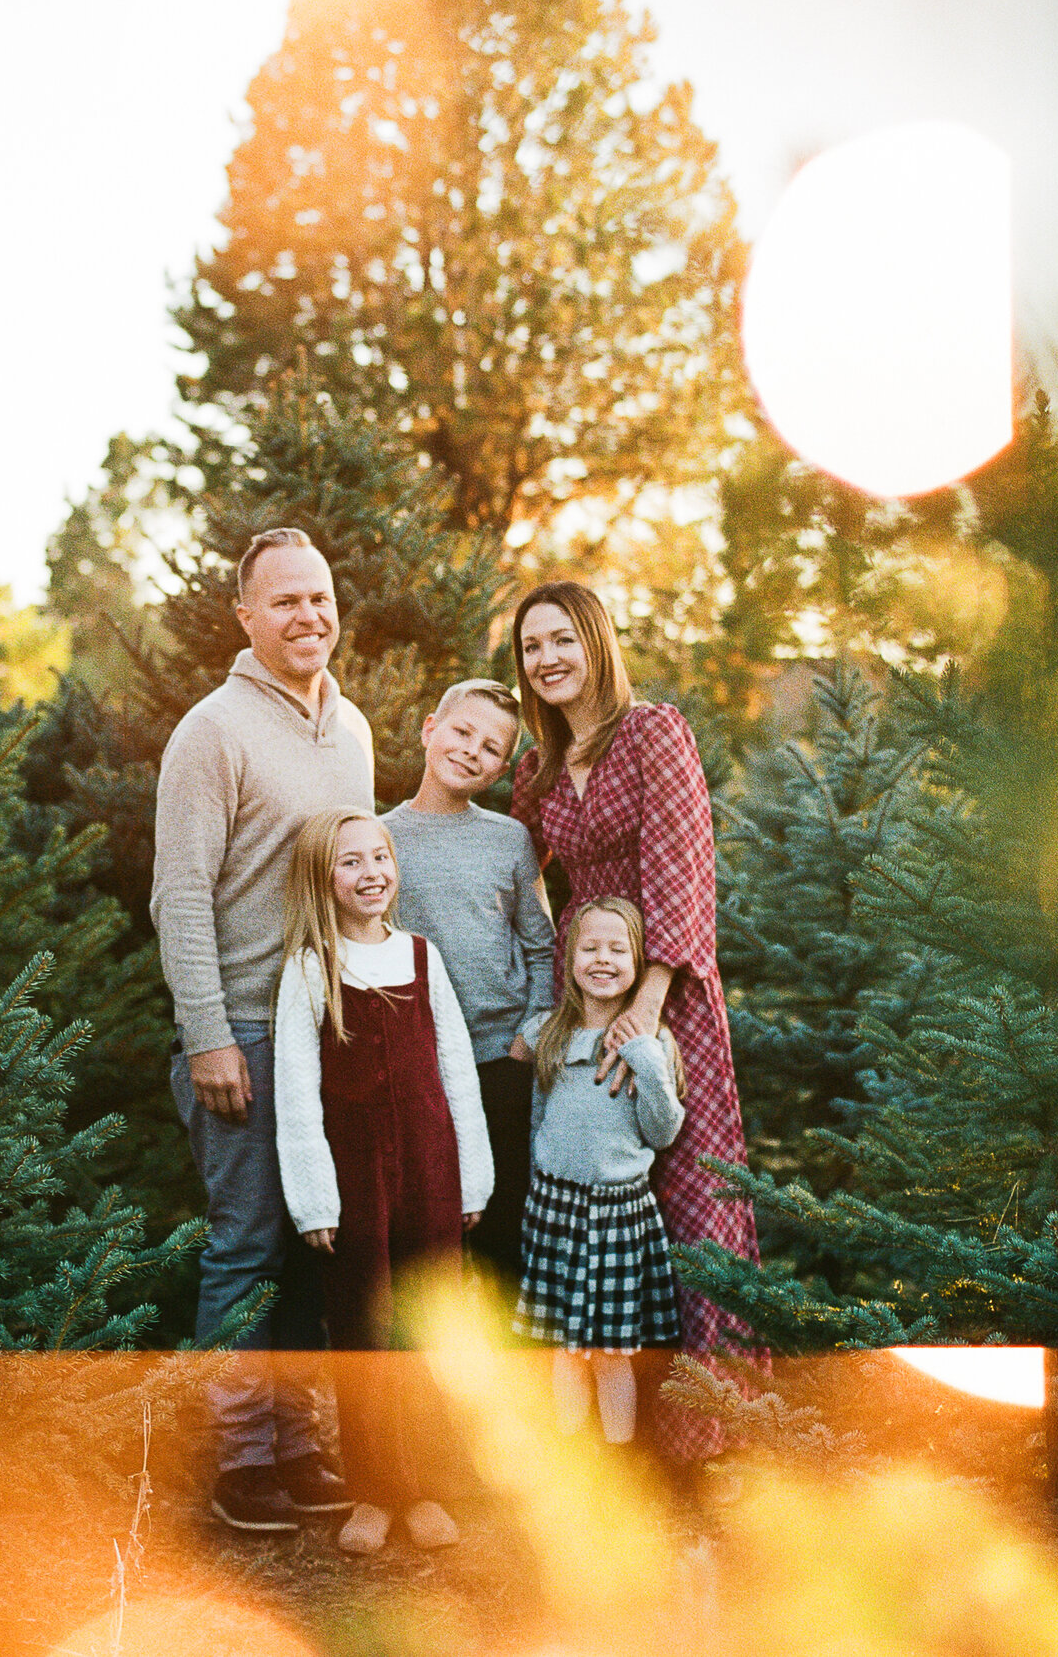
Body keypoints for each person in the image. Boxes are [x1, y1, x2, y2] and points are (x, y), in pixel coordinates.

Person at [507, 580, 764, 1466]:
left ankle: (707, 1435)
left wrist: (650, 1006)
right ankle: (607, 1443)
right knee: (589, 1204)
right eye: (531, 646)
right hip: (588, 995)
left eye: (562, 640)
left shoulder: (653, 732)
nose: (547, 659)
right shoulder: (537, 770)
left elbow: (685, 862)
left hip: (668, 991)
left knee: (690, 1201)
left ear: (596, 642)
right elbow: (513, 866)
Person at [152, 528, 370, 1533]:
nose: (306, 616)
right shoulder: (212, 730)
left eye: (318, 598)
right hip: (241, 1023)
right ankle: (238, 1464)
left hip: (326, 1028)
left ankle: (296, 1446)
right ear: (244, 618)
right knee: (244, 1249)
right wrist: (208, 1034)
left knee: (312, 1244)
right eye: (283, 601)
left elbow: (360, 881)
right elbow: (180, 893)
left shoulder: (355, 732)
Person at [271, 809, 491, 1555]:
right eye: (350, 863)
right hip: (357, 1174)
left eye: (379, 858)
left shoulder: (422, 957)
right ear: (322, 880)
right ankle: (374, 1488)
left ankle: (426, 1483)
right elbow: (296, 1092)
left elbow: (458, 1073)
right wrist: (314, 1199)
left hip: (430, 1163)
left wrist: (472, 1180)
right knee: (366, 1327)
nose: (370, 874)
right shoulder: (310, 967)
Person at [383, 679, 558, 1289]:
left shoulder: (507, 840)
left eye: (490, 748)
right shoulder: (380, 838)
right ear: (431, 728)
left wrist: (532, 1030)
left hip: (499, 1061)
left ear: (501, 769)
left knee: (503, 1232)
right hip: (417, 1066)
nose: (469, 751)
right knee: (427, 1239)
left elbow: (542, 946)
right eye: (462, 732)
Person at [511, 899, 686, 1445]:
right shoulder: (548, 1034)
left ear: (638, 962)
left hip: (617, 1213)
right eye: (590, 948)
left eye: (618, 949)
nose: (603, 959)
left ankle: (617, 1457)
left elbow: (663, 1131)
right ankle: (572, 1463)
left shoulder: (651, 1045)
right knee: (565, 1348)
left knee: (611, 1352)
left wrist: (647, 1061)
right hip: (555, 1207)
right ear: (570, 960)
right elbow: (539, 1115)